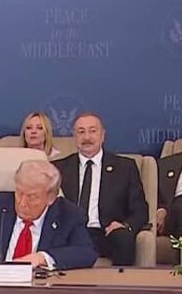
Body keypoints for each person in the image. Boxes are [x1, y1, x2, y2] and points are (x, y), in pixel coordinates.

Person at [0, 160, 97, 270]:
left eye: (32, 197)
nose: (22, 203)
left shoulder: (68, 214)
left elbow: (87, 253)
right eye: (19, 193)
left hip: (41, 293)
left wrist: (42, 258)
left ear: (51, 197)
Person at [55, 113, 148, 266]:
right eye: (81, 132)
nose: (87, 137)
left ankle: (120, 280)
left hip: (107, 232)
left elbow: (140, 209)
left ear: (102, 135)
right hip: (71, 232)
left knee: (123, 238)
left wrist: (125, 225)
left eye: (92, 131)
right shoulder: (58, 168)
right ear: (74, 137)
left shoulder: (125, 167)